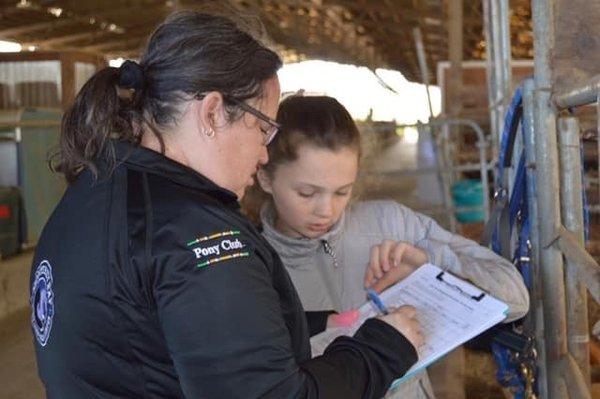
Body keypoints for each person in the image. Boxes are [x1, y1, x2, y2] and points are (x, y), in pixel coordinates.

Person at [29, 11, 425, 399]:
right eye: (263, 128)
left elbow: (175, 332)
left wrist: (321, 323)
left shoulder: (95, 191)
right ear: (213, 112)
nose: (265, 153)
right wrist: (383, 348)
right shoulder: (194, 233)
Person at [248, 95, 530, 398]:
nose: (327, 210)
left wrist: (431, 264)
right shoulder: (250, 268)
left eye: (342, 192)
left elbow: (515, 301)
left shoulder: (391, 224)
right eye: (306, 193)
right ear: (265, 177)